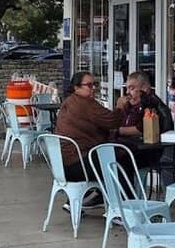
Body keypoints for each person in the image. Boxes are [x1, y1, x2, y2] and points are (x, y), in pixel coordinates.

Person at [55, 71, 128, 209]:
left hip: (62, 166)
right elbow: (112, 120)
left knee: (108, 155)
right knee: (120, 160)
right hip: (78, 165)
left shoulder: (69, 101)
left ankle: (77, 200)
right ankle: (123, 207)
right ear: (77, 87)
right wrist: (120, 106)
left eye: (95, 84)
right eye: (89, 85)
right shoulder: (86, 103)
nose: (94, 88)